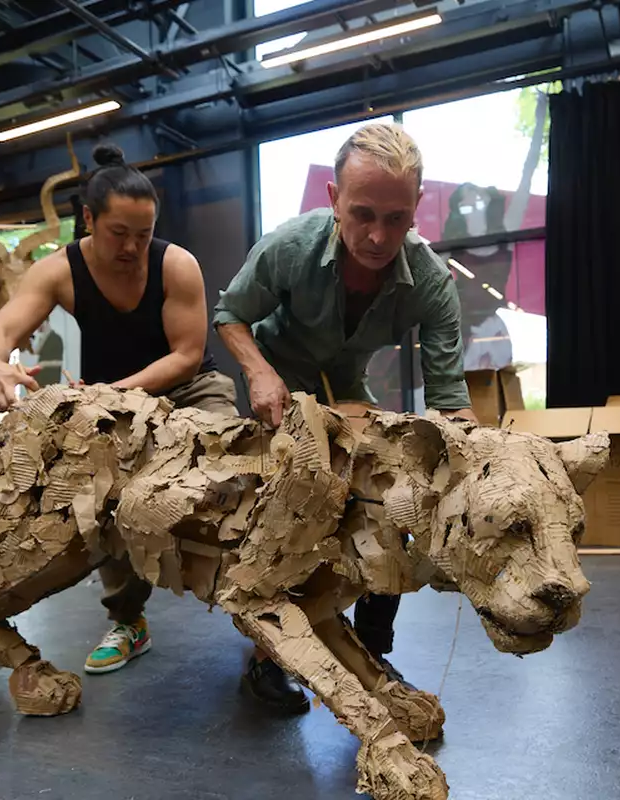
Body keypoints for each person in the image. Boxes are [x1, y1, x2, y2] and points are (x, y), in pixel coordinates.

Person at [214, 122, 477, 712]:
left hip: (346, 389)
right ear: (333, 200)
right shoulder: (289, 247)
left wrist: (479, 468)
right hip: (276, 387)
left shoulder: (431, 281)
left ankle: (371, 649)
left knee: (389, 503)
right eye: (362, 214)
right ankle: (266, 659)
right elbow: (230, 313)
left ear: (416, 210)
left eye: (396, 218)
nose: (379, 236)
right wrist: (258, 372)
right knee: (295, 510)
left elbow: (449, 398)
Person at [0, 143, 238, 677]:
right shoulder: (58, 272)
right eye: (120, 233)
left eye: (144, 234)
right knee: (106, 501)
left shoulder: (175, 265)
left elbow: (186, 356)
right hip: (110, 401)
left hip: (187, 389)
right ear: (89, 219)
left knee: (232, 473)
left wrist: (117, 391)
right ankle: (127, 620)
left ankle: (256, 605)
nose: (133, 247)